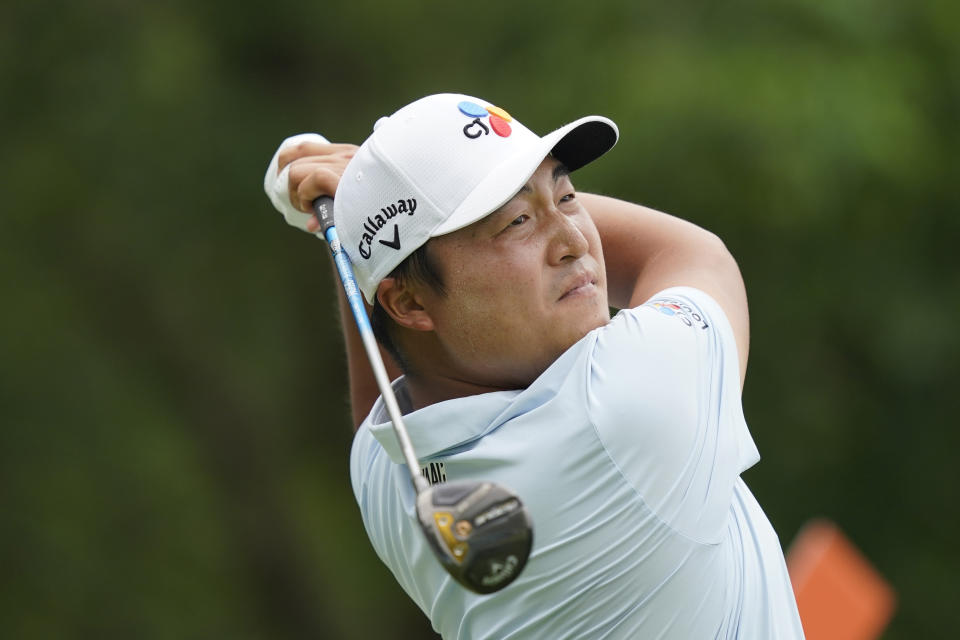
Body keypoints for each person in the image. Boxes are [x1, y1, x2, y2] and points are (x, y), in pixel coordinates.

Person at [264, 93, 804, 638]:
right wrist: (361, 198)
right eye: (517, 221)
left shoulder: (392, 476)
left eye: (566, 195)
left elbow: (383, 397)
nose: (575, 240)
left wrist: (361, 223)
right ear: (410, 304)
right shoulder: (622, 408)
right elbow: (691, 254)